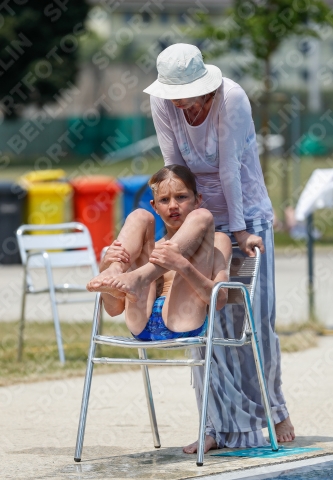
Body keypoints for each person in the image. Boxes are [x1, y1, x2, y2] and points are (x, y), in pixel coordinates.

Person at [140, 43, 295, 452]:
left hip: (247, 215)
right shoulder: (163, 102)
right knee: (205, 327)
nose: (181, 105)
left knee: (255, 323)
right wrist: (179, 229)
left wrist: (241, 230)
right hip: (199, 218)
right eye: (174, 96)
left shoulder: (232, 98)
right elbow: (176, 171)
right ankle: (215, 425)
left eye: (187, 96)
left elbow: (229, 168)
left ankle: (274, 409)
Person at [87, 165, 231, 349]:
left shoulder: (218, 242)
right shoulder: (148, 247)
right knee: (140, 216)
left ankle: (140, 277)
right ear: (155, 206)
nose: (173, 206)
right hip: (141, 325)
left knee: (203, 216)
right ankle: (115, 270)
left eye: (181, 197)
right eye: (164, 200)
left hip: (183, 323)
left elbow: (219, 301)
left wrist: (182, 266)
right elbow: (114, 309)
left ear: (197, 199)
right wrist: (107, 267)